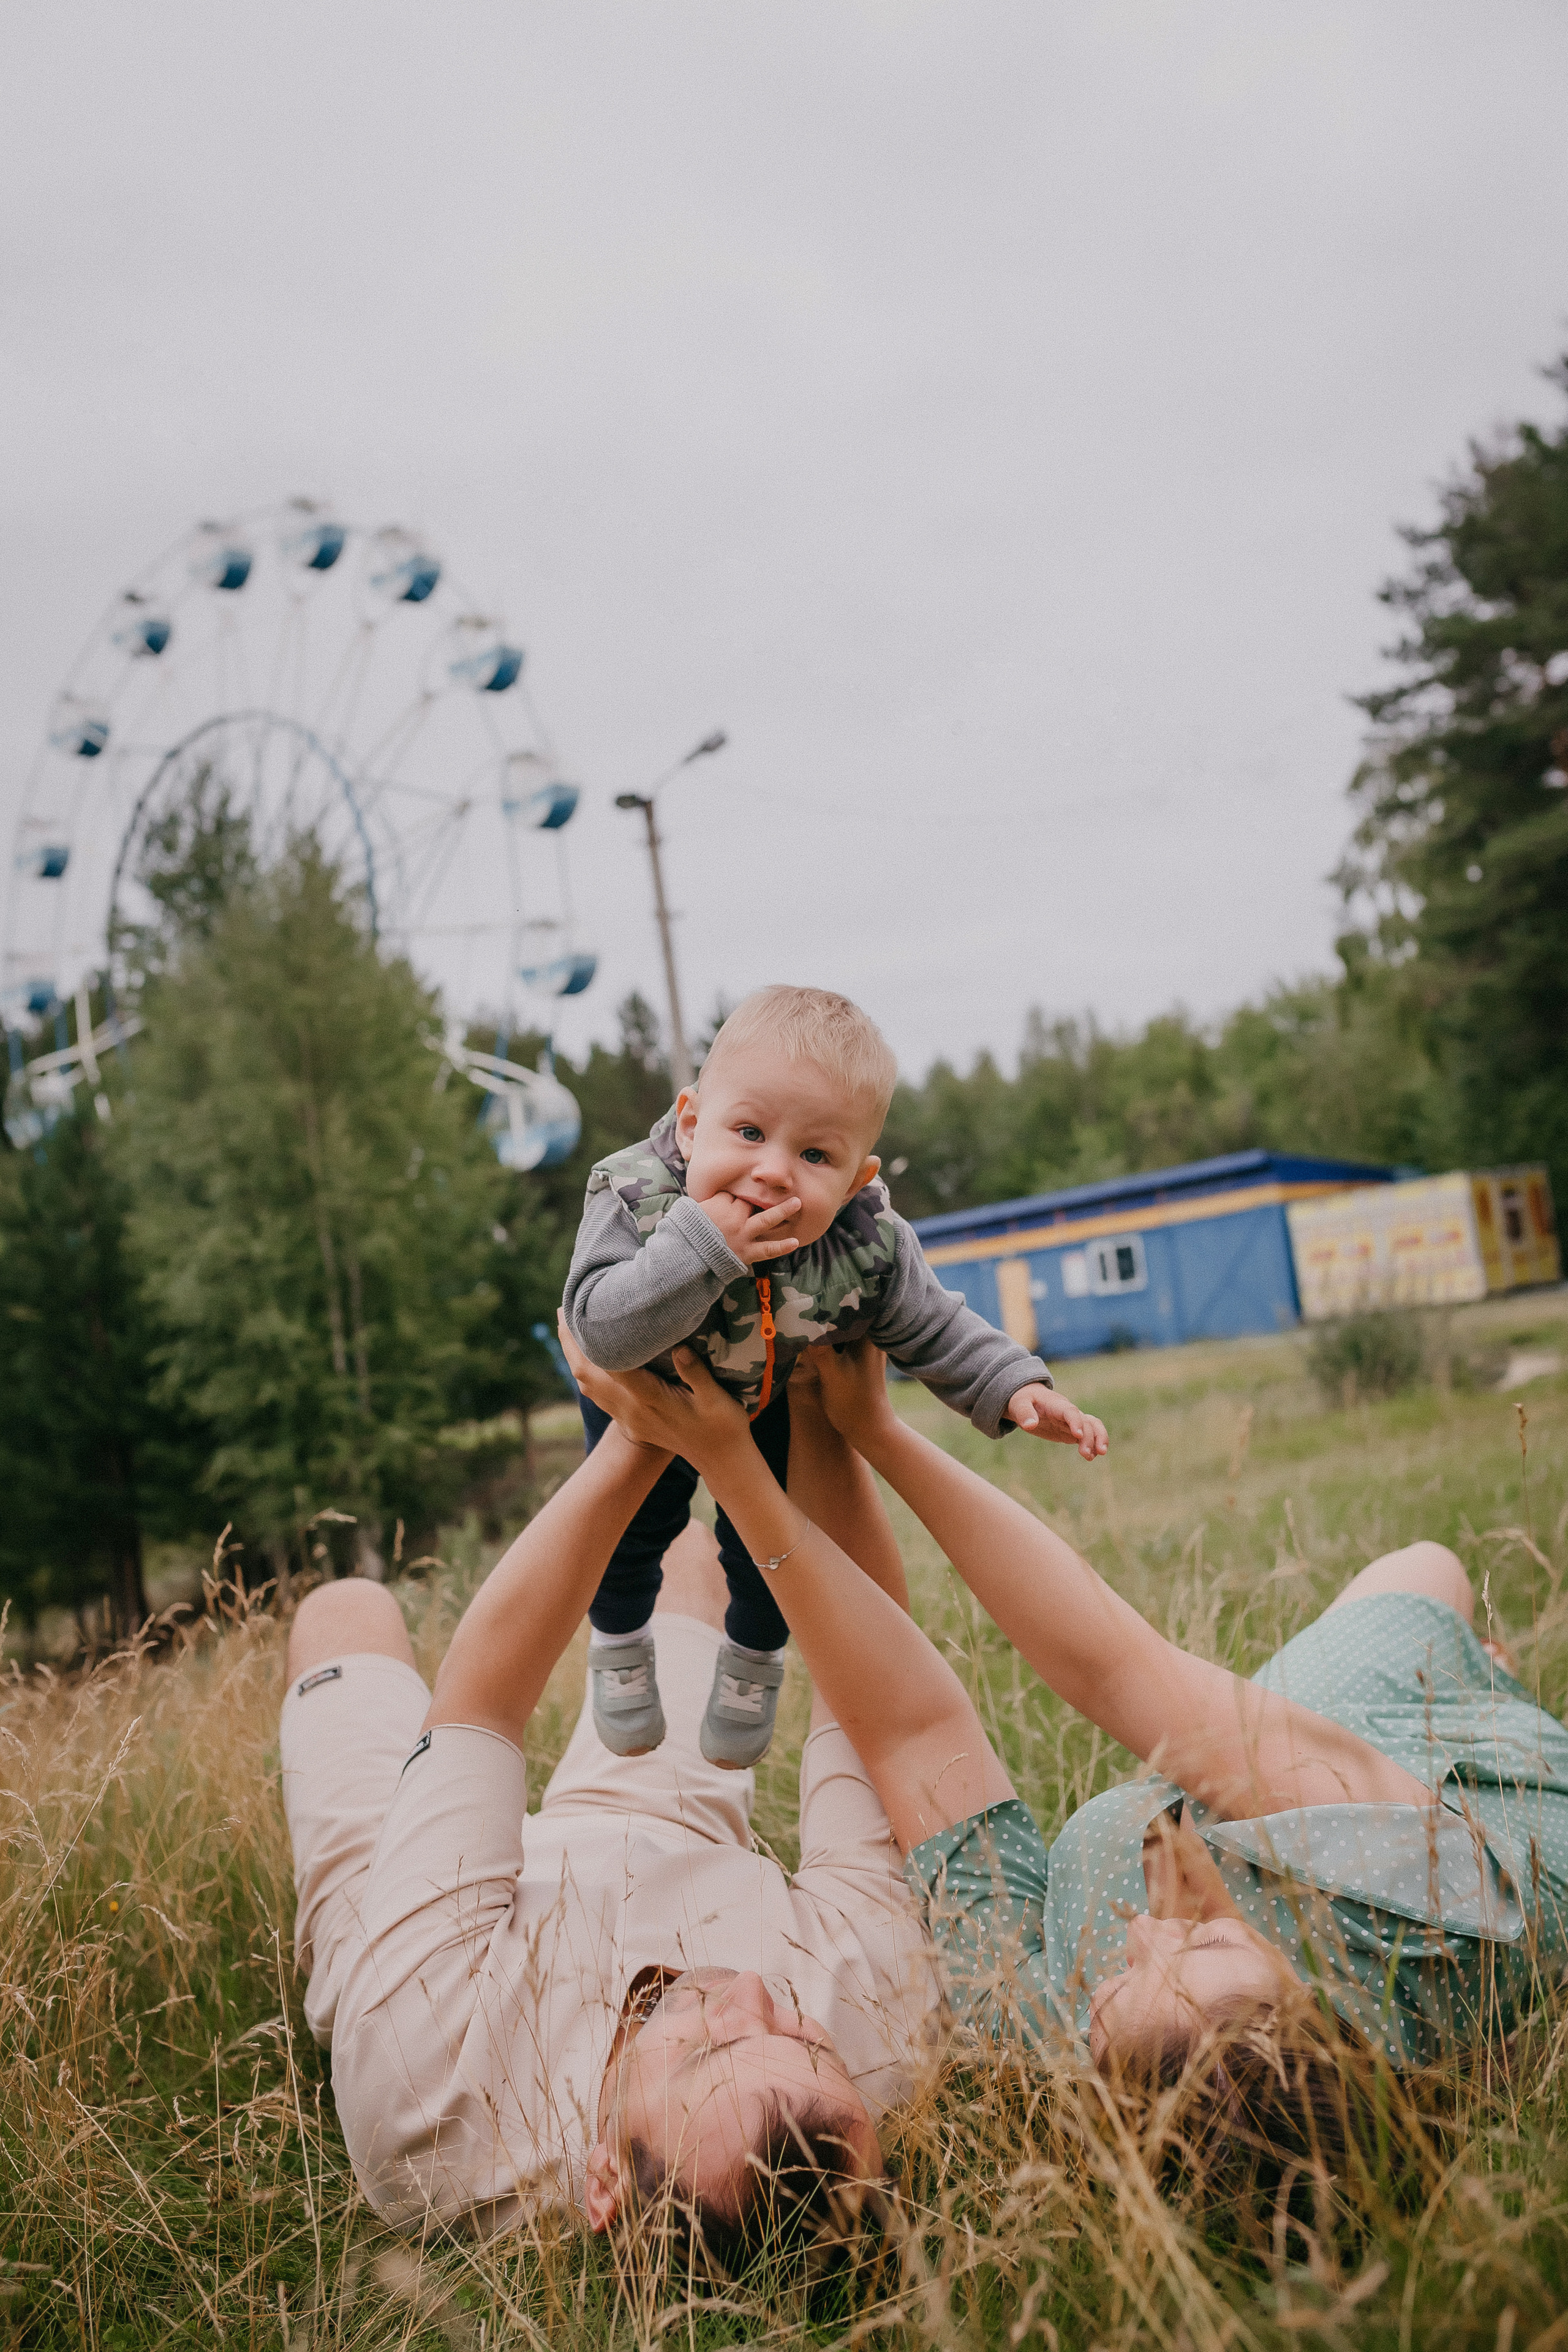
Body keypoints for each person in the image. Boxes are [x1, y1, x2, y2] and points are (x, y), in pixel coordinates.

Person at [566, 1332, 1568, 2120]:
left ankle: (1430, 1701)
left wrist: (800, 1429)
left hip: (1270, 1793)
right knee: (1425, 1567)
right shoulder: (1434, 1916)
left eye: (1118, 1981)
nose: (1142, 1929)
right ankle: (1484, 1704)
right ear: (1320, 2013)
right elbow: (1114, 1666)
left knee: (1286, 1694)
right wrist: (882, 1432)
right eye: (1208, 1952)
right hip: (1433, 1809)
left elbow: (915, 1737)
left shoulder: (1045, 2037)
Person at [278, 1407, 943, 2252]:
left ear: (603, 2181)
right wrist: (822, 1411)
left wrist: (633, 1431)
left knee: (346, 1609)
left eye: (706, 2052)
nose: (749, 1994)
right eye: (801, 2037)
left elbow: (482, 1703)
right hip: (658, 1836)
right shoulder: (877, 2028)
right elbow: (876, 1694)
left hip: (410, 1925)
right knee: (686, 1555)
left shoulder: (421, 2079)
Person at [562, 983, 1107, 1770]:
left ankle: (753, 1663)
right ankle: (618, 1638)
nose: (774, 1172)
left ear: (857, 1179)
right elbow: (600, 1328)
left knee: (770, 1544)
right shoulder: (636, 1198)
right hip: (644, 1401)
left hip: (767, 1396)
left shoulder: (864, 1242)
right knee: (629, 1529)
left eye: (815, 1155)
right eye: (747, 1132)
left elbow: (933, 1324)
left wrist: (1017, 1388)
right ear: (690, 1123)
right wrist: (701, 1247)